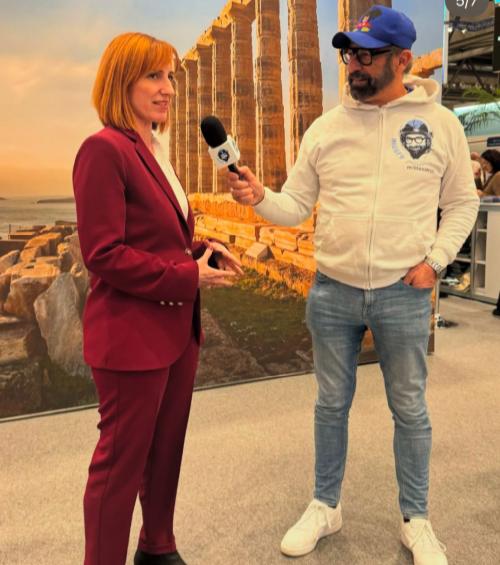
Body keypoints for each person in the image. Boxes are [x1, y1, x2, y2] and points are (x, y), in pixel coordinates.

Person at [227, 6, 479, 565]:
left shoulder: (440, 126)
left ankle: (416, 519)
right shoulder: (326, 129)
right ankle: (325, 505)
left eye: (366, 55)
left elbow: (462, 203)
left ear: (402, 60)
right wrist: (260, 197)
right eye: (348, 54)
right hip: (332, 291)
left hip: (403, 292)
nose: (353, 66)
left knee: (410, 409)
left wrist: (435, 262)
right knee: (329, 405)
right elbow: (295, 205)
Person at [73, 32, 242, 565]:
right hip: (130, 336)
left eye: (169, 76)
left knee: (166, 450)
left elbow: (157, 238)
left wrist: (201, 250)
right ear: (121, 81)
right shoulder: (103, 150)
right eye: (153, 76)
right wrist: (187, 276)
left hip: (176, 333)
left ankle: (157, 546)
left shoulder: (155, 150)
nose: (167, 88)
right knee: (119, 466)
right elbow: (103, 254)